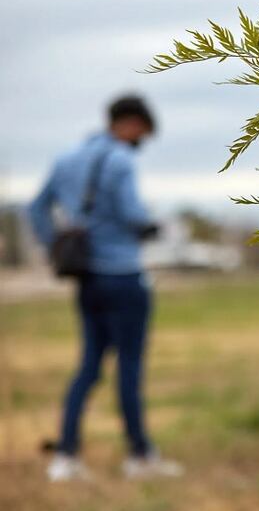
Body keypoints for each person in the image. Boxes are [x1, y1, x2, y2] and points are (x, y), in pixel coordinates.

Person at [29, 95, 182, 482]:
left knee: (88, 366)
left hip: (87, 278)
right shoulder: (120, 159)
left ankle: (65, 457)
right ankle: (140, 456)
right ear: (129, 123)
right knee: (129, 366)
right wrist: (153, 226)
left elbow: (35, 208)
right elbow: (132, 214)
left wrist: (58, 247)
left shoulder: (67, 158)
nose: (140, 143)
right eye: (141, 134)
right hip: (123, 275)